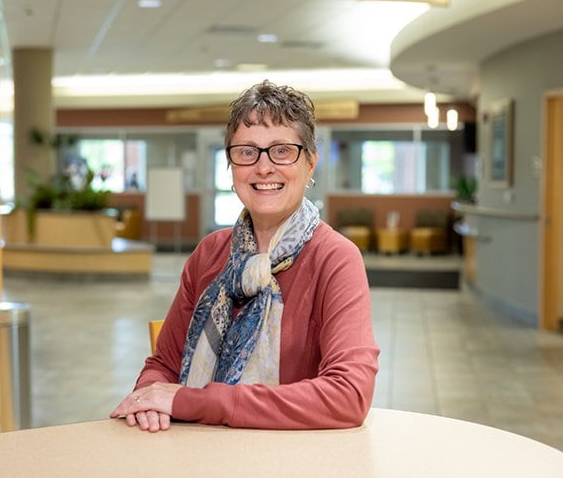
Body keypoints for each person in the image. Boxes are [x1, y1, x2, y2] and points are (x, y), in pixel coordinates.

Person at [110, 80, 379, 432]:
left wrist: (196, 401)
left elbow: (349, 395)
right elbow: (163, 364)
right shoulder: (209, 253)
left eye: (282, 151)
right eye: (246, 151)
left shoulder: (335, 258)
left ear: (310, 164)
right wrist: (150, 397)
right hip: (198, 453)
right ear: (232, 166)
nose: (263, 167)